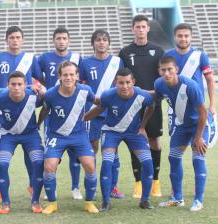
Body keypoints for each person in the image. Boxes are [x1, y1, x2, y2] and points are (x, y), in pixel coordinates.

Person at [84, 68, 155, 211]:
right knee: (107, 161)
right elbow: (99, 108)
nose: (125, 86)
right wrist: (83, 119)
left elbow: (152, 106)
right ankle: (106, 201)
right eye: (121, 83)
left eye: (128, 82)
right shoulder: (108, 95)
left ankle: (145, 200)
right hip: (111, 131)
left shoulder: (143, 95)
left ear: (133, 82)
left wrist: (142, 127)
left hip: (134, 133)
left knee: (147, 162)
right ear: (116, 83)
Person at [0, 26, 44, 196]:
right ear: (6, 40)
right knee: (2, 152)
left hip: (26, 108)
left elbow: (41, 80)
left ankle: (32, 183)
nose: (15, 40)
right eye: (11, 37)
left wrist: (37, 87)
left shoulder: (30, 58)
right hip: (5, 109)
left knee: (30, 152)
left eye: (18, 37)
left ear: (23, 39)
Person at [155, 56, 217, 212]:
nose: (167, 73)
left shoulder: (190, 85)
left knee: (198, 158)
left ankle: (198, 200)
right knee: (173, 158)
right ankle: (177, 198)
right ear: (159, 71)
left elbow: (203, 112)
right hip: (182, 125)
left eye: (170, 69)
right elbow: (155, 98)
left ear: (176, 69)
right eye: (164, 70)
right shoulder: (159, 84)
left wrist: (198, 138)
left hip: (200, 125)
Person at [38, 61, 99, 214]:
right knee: (49, 166)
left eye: (72, 74)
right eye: (65, 74)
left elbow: (100, 103)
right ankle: (52, 203)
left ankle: (89, 202)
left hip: (79, 135)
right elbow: (45, 110)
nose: (68, 77)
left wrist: (89, 116)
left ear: (77, 76)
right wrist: (37, 124)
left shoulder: (85, 91)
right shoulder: (50, 94)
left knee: (90, 166)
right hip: (56, 136)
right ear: (59, 76)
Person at [119, 15, 165, 198]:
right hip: (132, 106)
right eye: (137, 26)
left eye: (143, 26)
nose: (140, 29)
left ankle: (155, 181)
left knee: (154, 141)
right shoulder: (124, 52)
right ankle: (138, 183)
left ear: (148, 29)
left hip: (153, 103)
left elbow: (162, 76)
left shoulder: (158, 51)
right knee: (134, 142)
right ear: (132, 29)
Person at [38, 27, 83, 200]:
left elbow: (82, 79)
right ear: (53, 40)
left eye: (64, 38)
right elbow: (37, 77)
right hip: (52, 112)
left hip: (73, 112)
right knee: (52, 154)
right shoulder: (44, 58)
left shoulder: (78, 58)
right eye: (58, 38)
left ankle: (75, 188)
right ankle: (52, 188)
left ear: (69, 40)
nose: (61, 41)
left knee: (74, 153)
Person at [80, 29, 125, 199]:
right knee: (91, 149)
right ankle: (92, 186)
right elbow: (82, 89)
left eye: (105, 40)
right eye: (98, 40)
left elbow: (121, 86)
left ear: (109, 43)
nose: (101, 42)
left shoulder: (117, 62)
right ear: (93, 43)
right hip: (92, 112)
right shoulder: (85, 63)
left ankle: (113, 187)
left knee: (112, 150)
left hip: (112, 113)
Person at [0, 71, 45, 214]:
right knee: (2, 163)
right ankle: (5, 203)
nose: (16, 87)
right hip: (8, 135)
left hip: (30, 135)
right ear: (7, 85)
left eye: (19, 84)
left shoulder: (34, 96)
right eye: (13, 84)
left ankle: (35, 201)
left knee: (39, 163)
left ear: (25, 85)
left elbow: (49, 100)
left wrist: (41, 90)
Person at [164, 23, 216, 117]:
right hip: (176, 107)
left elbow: (210, 80)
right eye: (180, 36)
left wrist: (212, 105)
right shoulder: (167, 55)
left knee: (200, 132)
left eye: (186, 36)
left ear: (191, 37)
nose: (183, 39)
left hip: (197, 106)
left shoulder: (200, 56)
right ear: (175, 37)